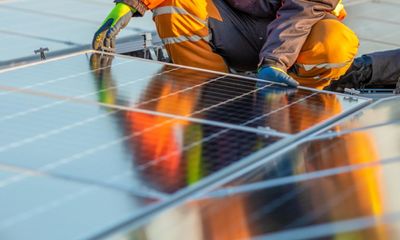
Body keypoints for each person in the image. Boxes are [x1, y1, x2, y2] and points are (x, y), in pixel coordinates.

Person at [92, 0, 397, 91]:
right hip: (232, 25)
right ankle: (211, 88)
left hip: (296, 34)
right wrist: (128, 6)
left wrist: (274, 63)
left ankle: (302, 91)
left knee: (336, 44)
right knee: (174, 6)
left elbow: (297, 16)